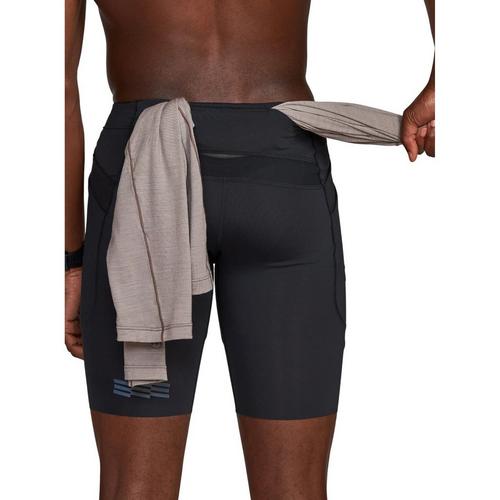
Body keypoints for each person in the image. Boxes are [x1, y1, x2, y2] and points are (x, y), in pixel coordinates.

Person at [65, 1, 435, 498]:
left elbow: (53, 93)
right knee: (294, 490)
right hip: (282, 178)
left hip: (143, 189)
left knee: (134, 486)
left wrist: (71, 262)